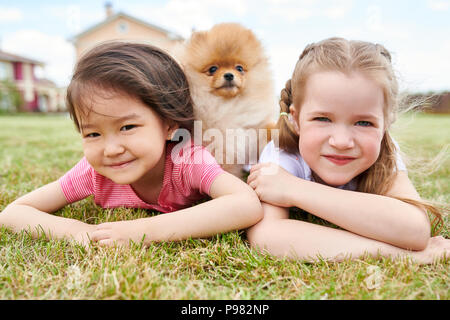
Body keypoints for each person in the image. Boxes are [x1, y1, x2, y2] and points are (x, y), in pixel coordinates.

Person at [0, 42, 262, 247]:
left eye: (127, 127)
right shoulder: (94, 173)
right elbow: (13, 213)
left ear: (170, 124)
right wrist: (78, 231)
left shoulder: (187, 160)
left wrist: (142, 232)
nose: (111, 149)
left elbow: (246, 204)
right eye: (93, 134)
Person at [246, 38, 449, 264]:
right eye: (322, 118)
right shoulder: (283, 153)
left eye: (363, 123)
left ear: (386, 124)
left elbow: (415, 231)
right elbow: (267, 237)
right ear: (296, 120)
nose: (341, 142)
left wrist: (295, 189)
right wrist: (398, 255)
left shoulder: (384, 154)